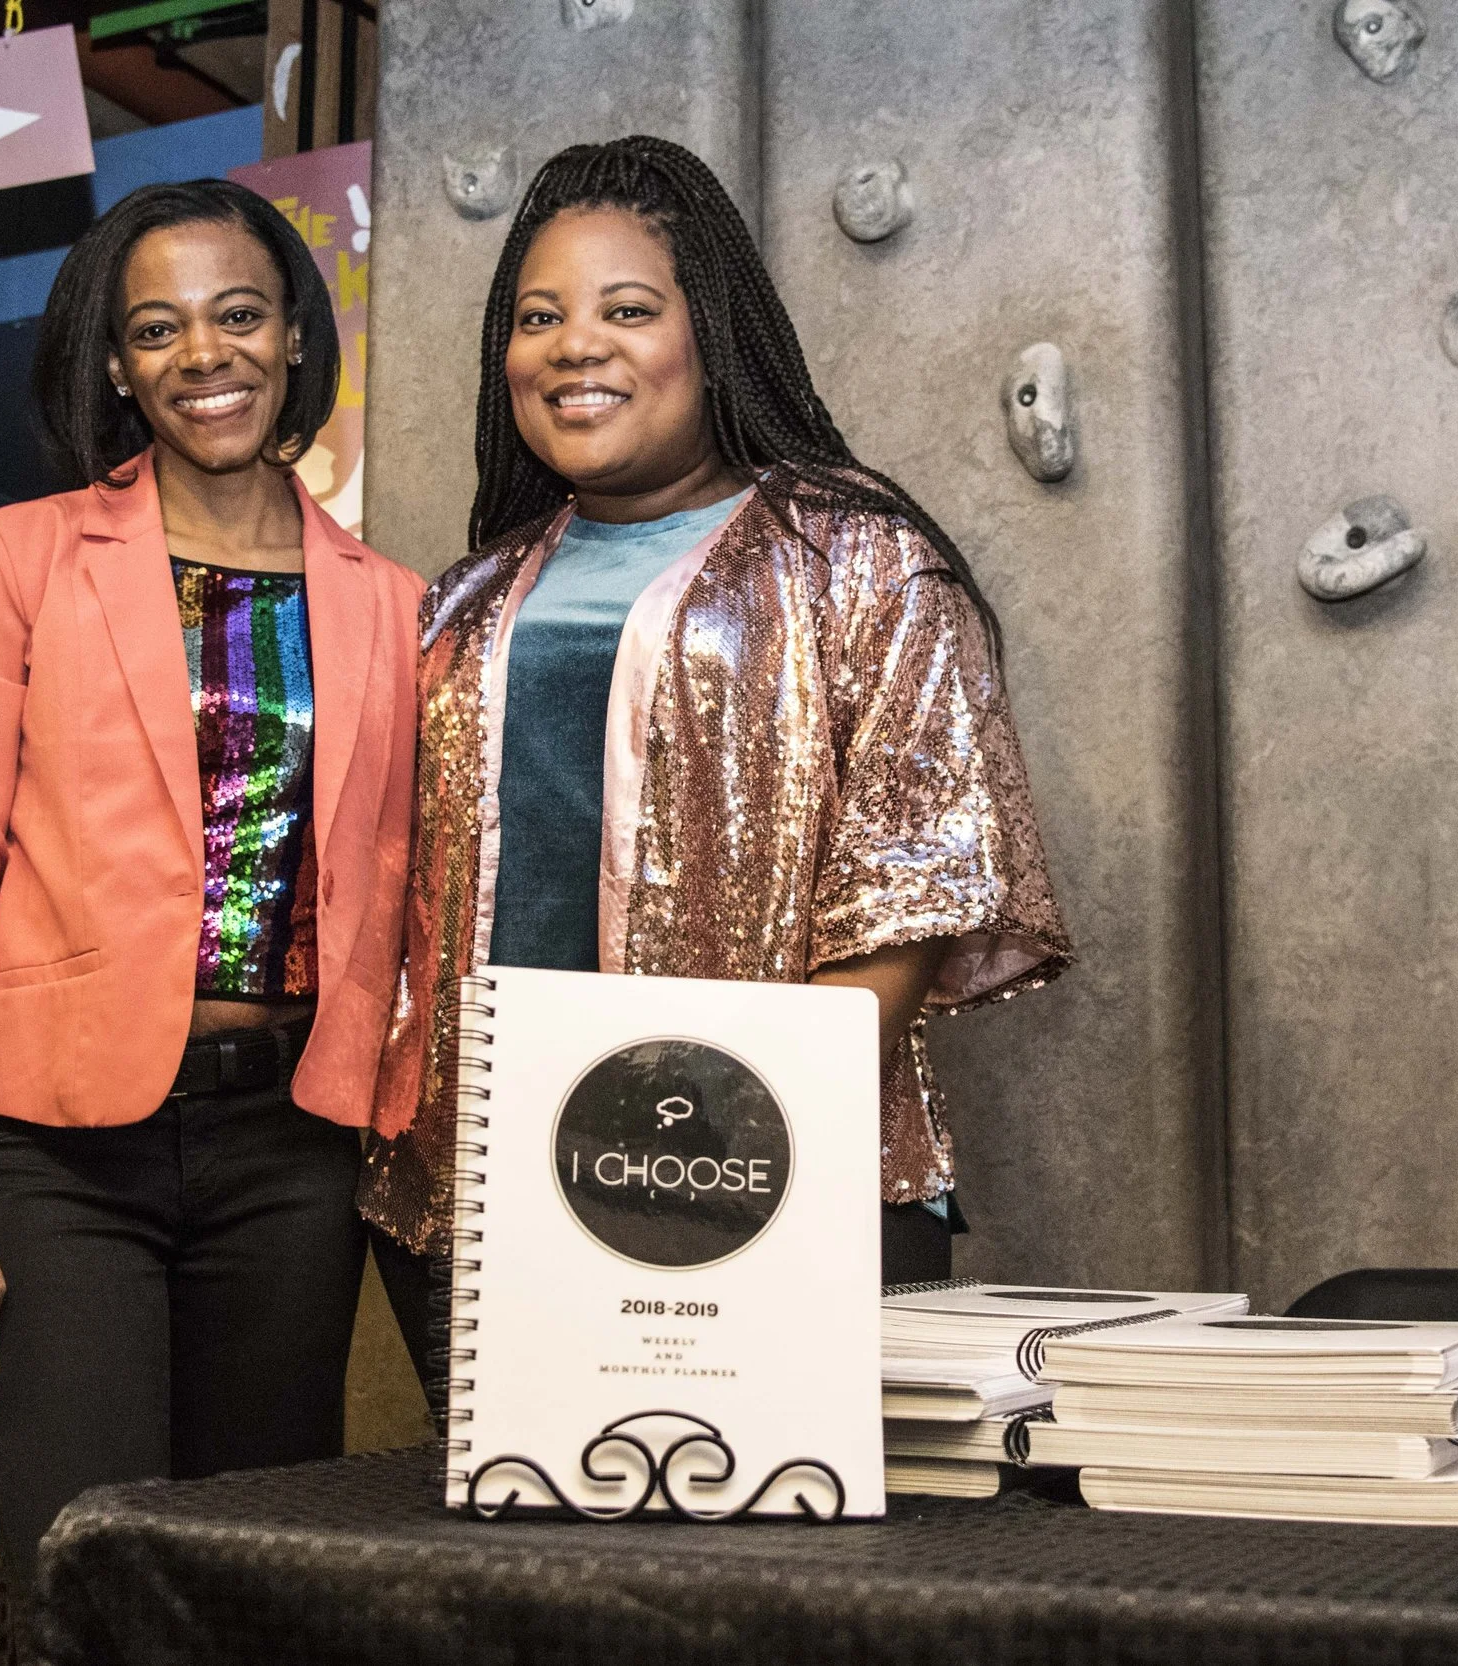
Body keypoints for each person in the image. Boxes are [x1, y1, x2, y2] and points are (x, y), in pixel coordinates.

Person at [362, 135, 1072, 1383]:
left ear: (714, 334)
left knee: (756, 1521)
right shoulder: (459, 605)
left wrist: (731, 1140)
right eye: (539, 317)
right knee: (503, 1521)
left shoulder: (858, 559)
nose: (575, 345)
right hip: (485, 1199)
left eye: (628, 310)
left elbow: (910, 889)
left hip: (766, 1179)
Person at [0, 179, 423, 1593]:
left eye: (238, 314)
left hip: (292, 1152)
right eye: (157, 328)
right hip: (56, 1152)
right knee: (88, 1576)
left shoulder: (394, 602)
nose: (205, 354)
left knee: (253, 1584)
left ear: (294, 334)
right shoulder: (17, 559)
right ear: (118, 364)